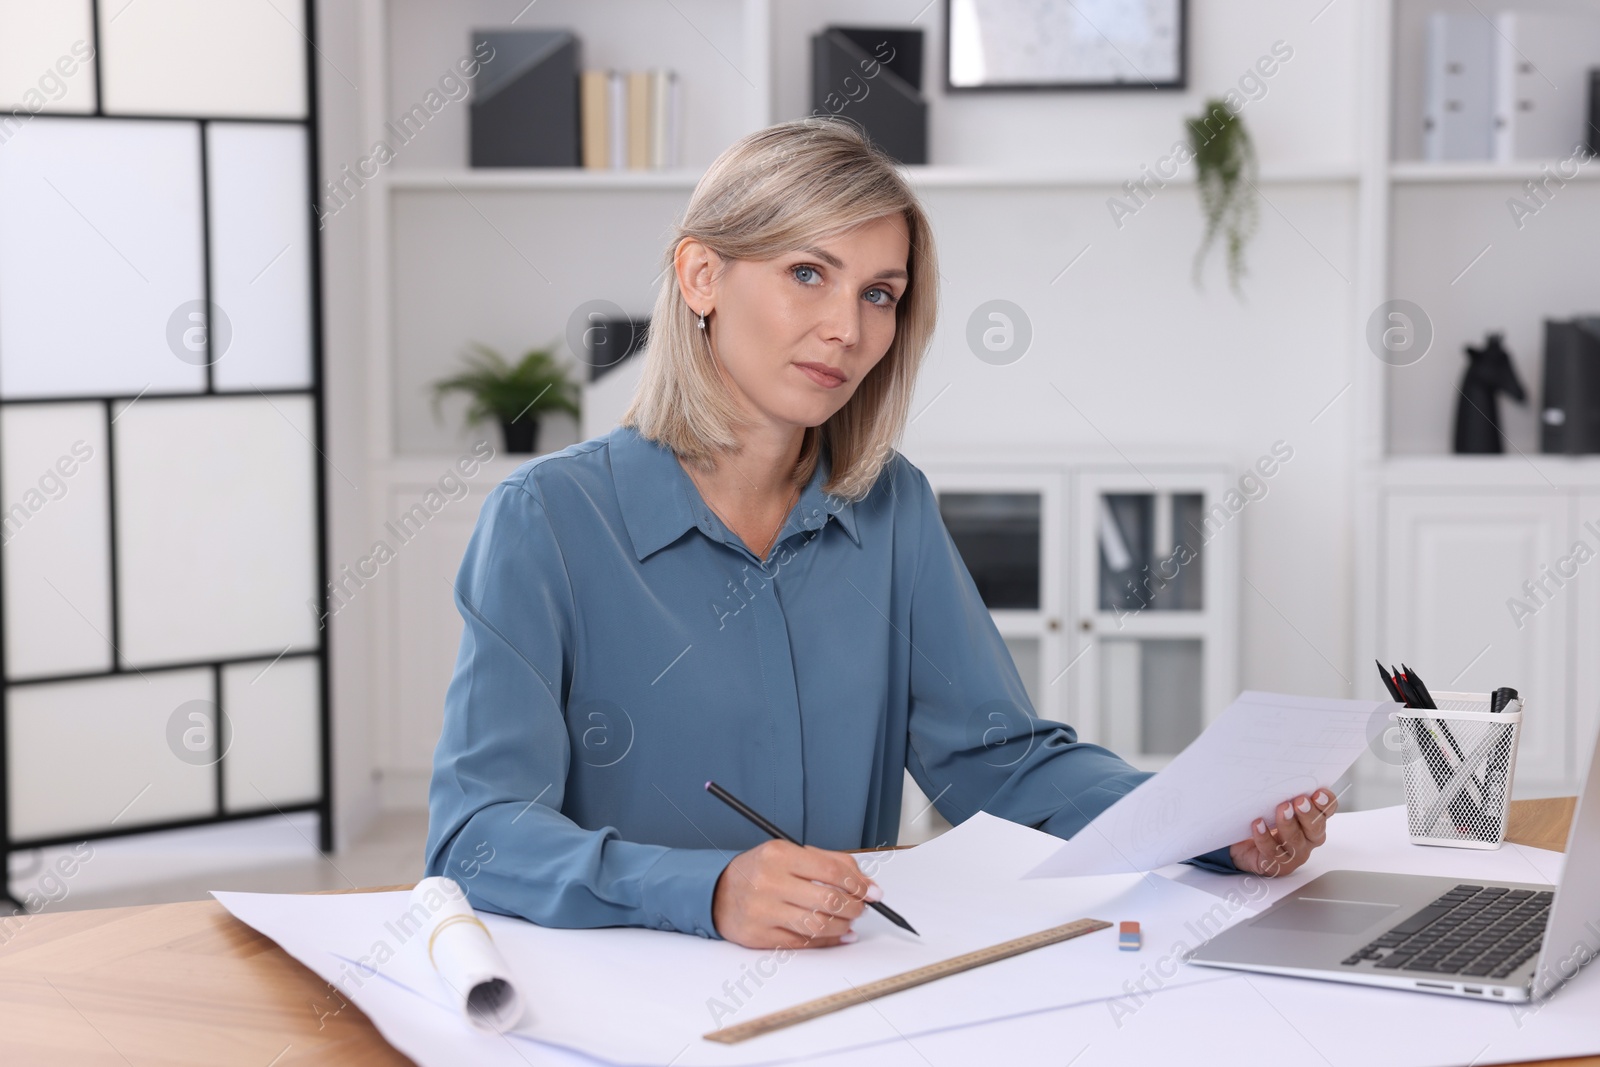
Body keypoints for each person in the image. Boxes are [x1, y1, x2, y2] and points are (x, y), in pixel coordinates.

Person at [424, 117, 1338, 951]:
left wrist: (1209, 826)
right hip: (624, 1000)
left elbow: (998, 757)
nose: (846, 330)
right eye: (807, 274)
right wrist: (705, 890)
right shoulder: (547, 519)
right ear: (702, 276)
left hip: (841, 985)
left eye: (880, 294)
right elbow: (477, 834)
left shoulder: (889, 504)